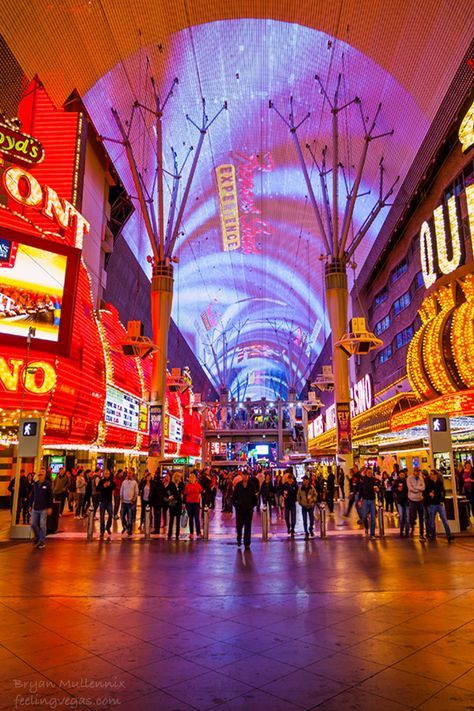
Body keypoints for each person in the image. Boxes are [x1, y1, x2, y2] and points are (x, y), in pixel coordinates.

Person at [425, 469, 454, 542]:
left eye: (432, 474)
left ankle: (449, 535)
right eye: (430, 474)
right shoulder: (429, 484)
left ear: (435, 475)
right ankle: (433, 535)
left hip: (439, 504)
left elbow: (443, 492)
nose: (431, 475)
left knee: (444, 520)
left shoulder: (440, 483)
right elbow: (425, 493)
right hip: (432, 504)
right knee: (432, 521)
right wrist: (429, 495)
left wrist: (442, 499)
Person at [232, 469, 257, 549]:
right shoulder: (238, 486)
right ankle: (239, 538)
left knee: (248, 526)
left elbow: (254, 498)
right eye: (244, 475)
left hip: (249, 509)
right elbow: (234, 497)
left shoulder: (251, 486)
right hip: (240, 509)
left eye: (246, 475)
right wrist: (236, 506)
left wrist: (252, 506)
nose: (245, 477)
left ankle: (247, 543)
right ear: (241, 476)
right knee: (239, 525)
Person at [29, 467, 53, 549]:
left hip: (44, 508)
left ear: (45, 475)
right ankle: (37, 536)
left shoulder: (47, 484)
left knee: (42, 525)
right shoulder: (35, 484)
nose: (40, 475)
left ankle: (41, 541)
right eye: (39, 474)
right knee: (33, 524)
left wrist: (50, 507)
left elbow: (50, 496)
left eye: (42, 473)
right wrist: (30, 505)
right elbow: (32, 495)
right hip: (35, 508)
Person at [407, 466, 426, 540]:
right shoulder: (409, 479)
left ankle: (421, 534)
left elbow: (423, 488)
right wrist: (418, 489)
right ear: (414, 471)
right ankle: (412, 527)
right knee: (413, 516)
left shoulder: (421, 479)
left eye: (419, 471)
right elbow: (410, 489)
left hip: (420, 500)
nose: (418, 473)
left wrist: (416, 488)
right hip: (412, 500)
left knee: (421, 517)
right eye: (417, 471)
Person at [360, 467, 378, 539]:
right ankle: (366, 528)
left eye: (371, 472)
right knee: (364, 516)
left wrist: (378, 488)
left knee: (373, 517)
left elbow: (379, 486)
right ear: (366, 473)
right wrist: (359, 499)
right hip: (365, 500)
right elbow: (360, 489)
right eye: (368, 472)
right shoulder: (363, 480)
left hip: (372, 500)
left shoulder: (374, 480)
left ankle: (372, 534)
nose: (370, 474)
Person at [97, 469, 115, 539]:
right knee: (102, 516)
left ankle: (108, 527)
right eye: (105, 473)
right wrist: (103, 486)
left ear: (109, 474)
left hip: (109, 501)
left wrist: (109, 485)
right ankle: (102, 531)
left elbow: (114, 486)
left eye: (108, 473)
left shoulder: (111, 481)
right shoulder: (101, 481)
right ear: (103, 474)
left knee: (111, 515)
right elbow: (97, 488)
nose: (106, 474)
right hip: (103, 501)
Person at [184, 472, 203, 538]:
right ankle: (191, 532)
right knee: (191, 518)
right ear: (189, 479)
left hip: (196, 503)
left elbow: (201, 493)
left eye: (193, 478)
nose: (192, 479)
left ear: (195, 479)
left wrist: (200, 503)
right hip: (189, 503)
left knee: (197, 518)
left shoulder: (198, 485)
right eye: (190, 478)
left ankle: (198, 532)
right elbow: (185, 494)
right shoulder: (187, 486)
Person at [120, 469, 138, 536]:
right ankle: (125, 526)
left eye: (130, 473)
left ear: (132, 474)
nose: (128, 474)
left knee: (130, 518)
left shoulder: (134, 483)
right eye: (128, 473)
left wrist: (133, 499)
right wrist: (121, 498)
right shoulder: (124, 482)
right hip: (124, 502)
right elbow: (121, 490)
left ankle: (129, 530)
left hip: (130, 503)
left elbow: (136, 492)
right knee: (122, 516)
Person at [164, 473, 182, 540]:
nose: (180, 478)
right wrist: (170, 496)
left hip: (179, 504)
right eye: (179, 477)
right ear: (176, 477)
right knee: (171, 519)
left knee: (178, 520)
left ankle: (177, 534)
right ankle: (169, 533)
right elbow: (166, 491)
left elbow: (180, 493)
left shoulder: (180, 484)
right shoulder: (171, 484)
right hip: (173, 504)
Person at [393, 469, 410, 537]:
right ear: (399, 475)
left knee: (407, 517)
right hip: (399, 501)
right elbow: (393, 489)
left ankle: (407, 531)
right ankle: (401, 530)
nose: (402, 476)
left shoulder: (407, 481)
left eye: (403, 474)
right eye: (401, 475)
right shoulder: (396, 481)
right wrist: (397, 489)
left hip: (406, 501)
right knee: (401, 516)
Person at [281, 472, 298, 536]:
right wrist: (283, 495)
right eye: (289, 479)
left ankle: (292, 529)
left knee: (293, 517)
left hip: (293, 502)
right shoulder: (285, 485)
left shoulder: (295, 485)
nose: (290, 480)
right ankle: (288, 527)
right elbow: (282, 492)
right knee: (286, 517)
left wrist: (296, 499)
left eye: (291, 479)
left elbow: (297, 493)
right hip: (287, 503)